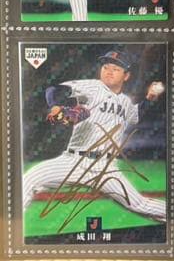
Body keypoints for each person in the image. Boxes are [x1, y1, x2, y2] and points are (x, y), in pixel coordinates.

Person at [23, 49, 166, 223]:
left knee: (139, 205)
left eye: (116, 68)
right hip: (74, 162)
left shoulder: (125, 101)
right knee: (29, 180)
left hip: (106, 168)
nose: (109, 71)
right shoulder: (91, 86)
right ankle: (12, 228)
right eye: (105, 67)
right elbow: (54, 89)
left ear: (126, 76)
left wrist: (149, 98)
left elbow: (136, 114)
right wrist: (55, 106)